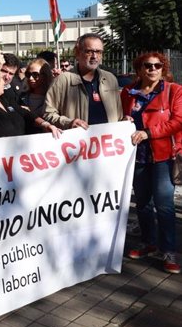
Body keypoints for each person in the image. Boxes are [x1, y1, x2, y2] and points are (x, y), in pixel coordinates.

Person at [121, 52, 181, 274]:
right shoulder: (128, 92)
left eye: (157, 65)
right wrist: (123, 120)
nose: (153, 69)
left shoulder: (174, 91)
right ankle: (148, 243)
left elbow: (178, 121)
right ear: (139, 69)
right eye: (148, 65)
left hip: (163, 156)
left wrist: (148, 132)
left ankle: (169, 250)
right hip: (137, 156)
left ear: (163, 69)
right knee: (143, 203)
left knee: (164, 204)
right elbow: (122, 116)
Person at [0, 53, 60, 140]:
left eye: (11, 74)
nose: (6, 78)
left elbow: (25, 113)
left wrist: (45, 124)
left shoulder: (5, 98)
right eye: (2, 73)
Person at [44, 33, 123, 129]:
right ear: (77, 53)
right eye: (89, 51)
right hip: (78, 142)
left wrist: (124, 121)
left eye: (98, 52)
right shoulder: (62, 81)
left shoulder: (111, 79)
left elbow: (118, 115)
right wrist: (68, 123)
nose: (94, 56)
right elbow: (48, 113)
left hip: (107, 141)